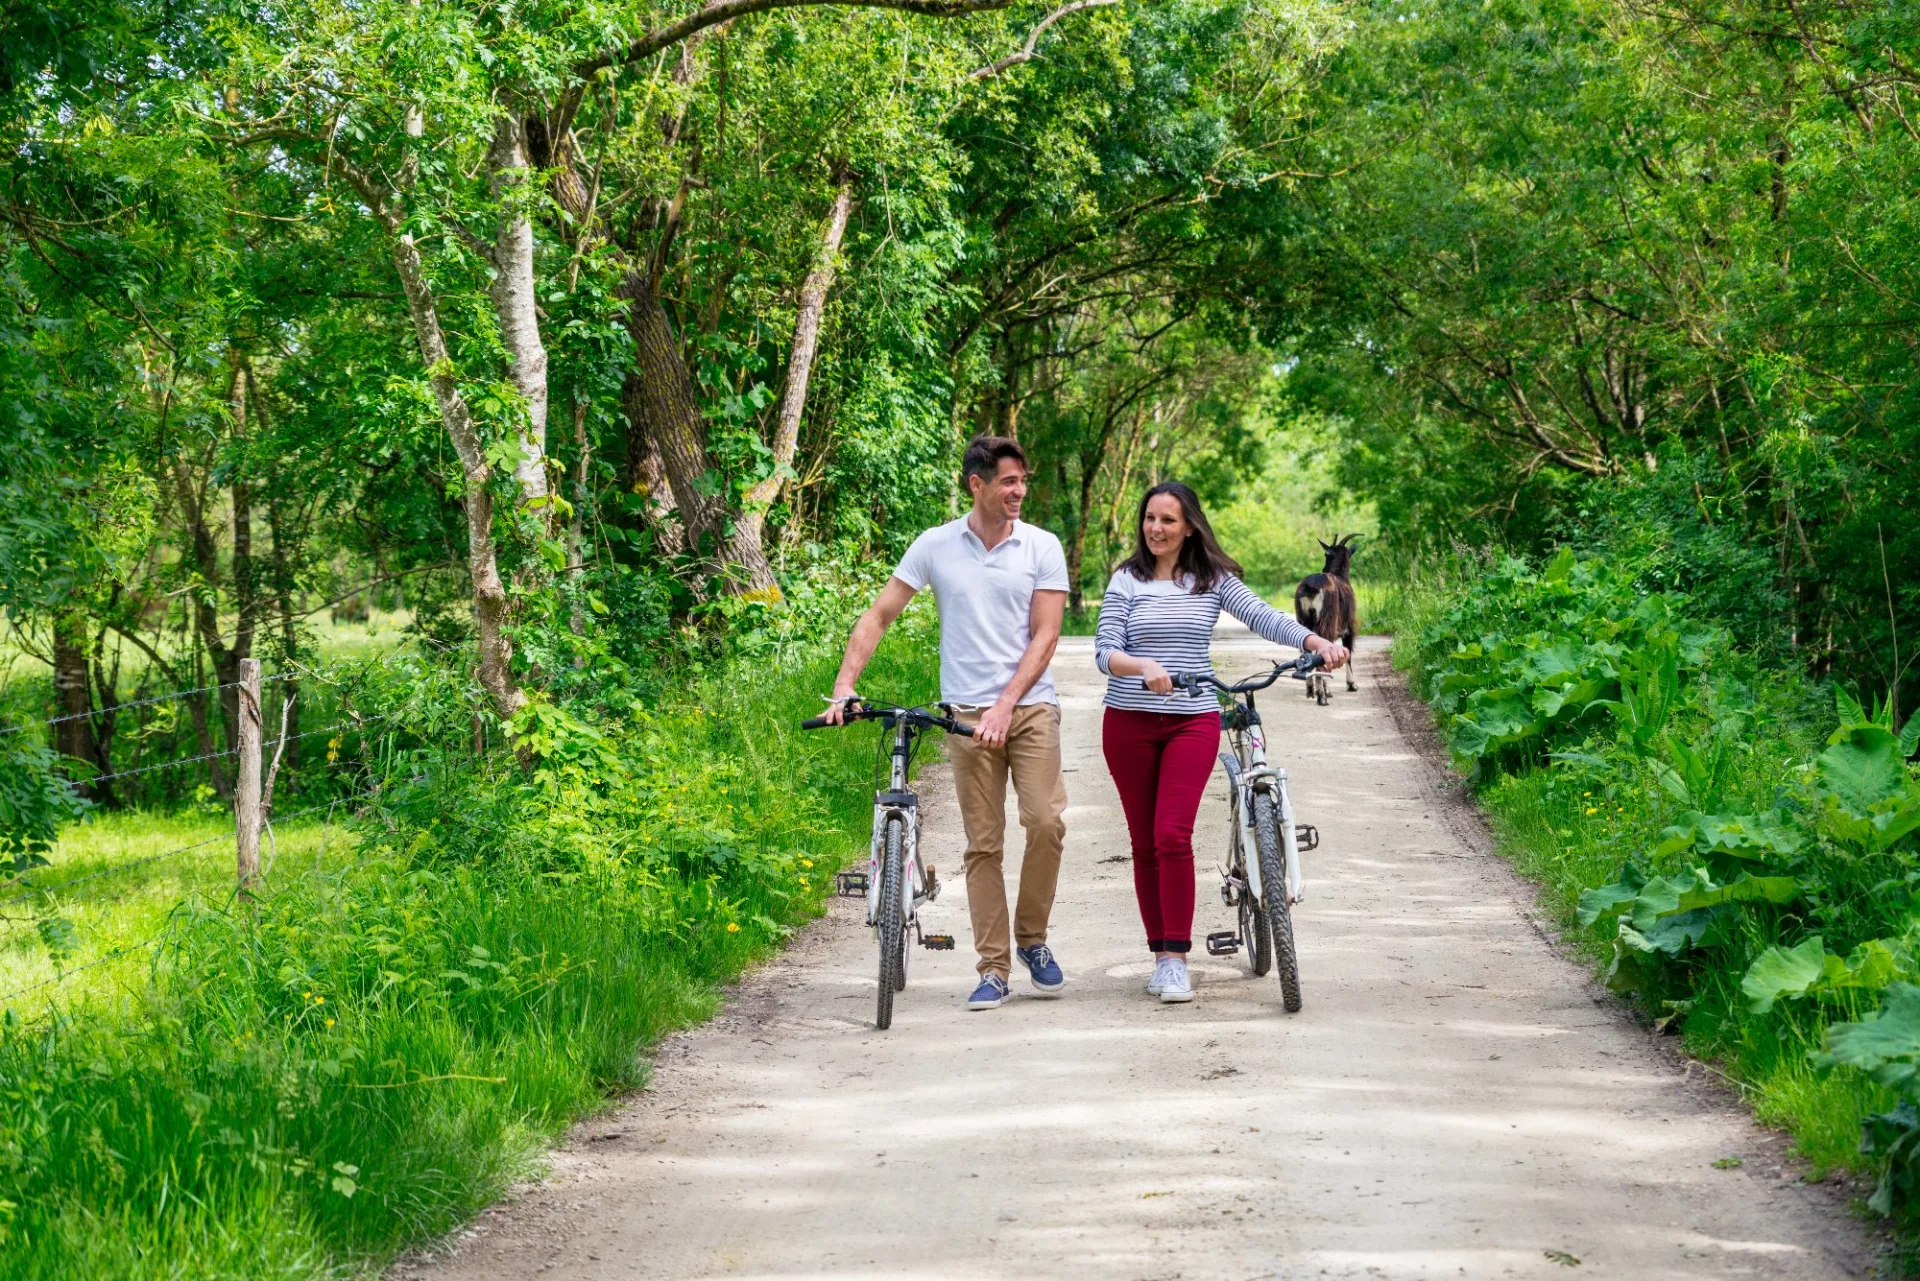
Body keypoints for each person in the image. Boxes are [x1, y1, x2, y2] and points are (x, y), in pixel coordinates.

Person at [825, 435, 1071, 1011]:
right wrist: (844, 686)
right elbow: (880, 615)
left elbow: (1047, 634)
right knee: (983, 844)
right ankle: (994, 967)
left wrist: (1007, 703)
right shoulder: (935, 545)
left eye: (1023, 481)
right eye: (1009, 481)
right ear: (977, 485)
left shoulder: (1041, 546)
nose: (1020, 491)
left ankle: (1032, 939)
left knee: (1046, 822)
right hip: (964, 715)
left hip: (1029, 708)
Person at [1094, 481, 1349, 1004]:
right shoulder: (1127, 579)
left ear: (1189, 525)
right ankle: (1160, 953)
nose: (1156, 529)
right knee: (1144, 842)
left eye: (1168, 520)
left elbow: (1263, 615)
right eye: (1149, 519)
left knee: (1171, 835)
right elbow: (1105, 651)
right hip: (1129, 720)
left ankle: (1176, 961)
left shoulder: (1212, 580)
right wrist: (1142, 666)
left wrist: (1316, 640)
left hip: (1192, 719)